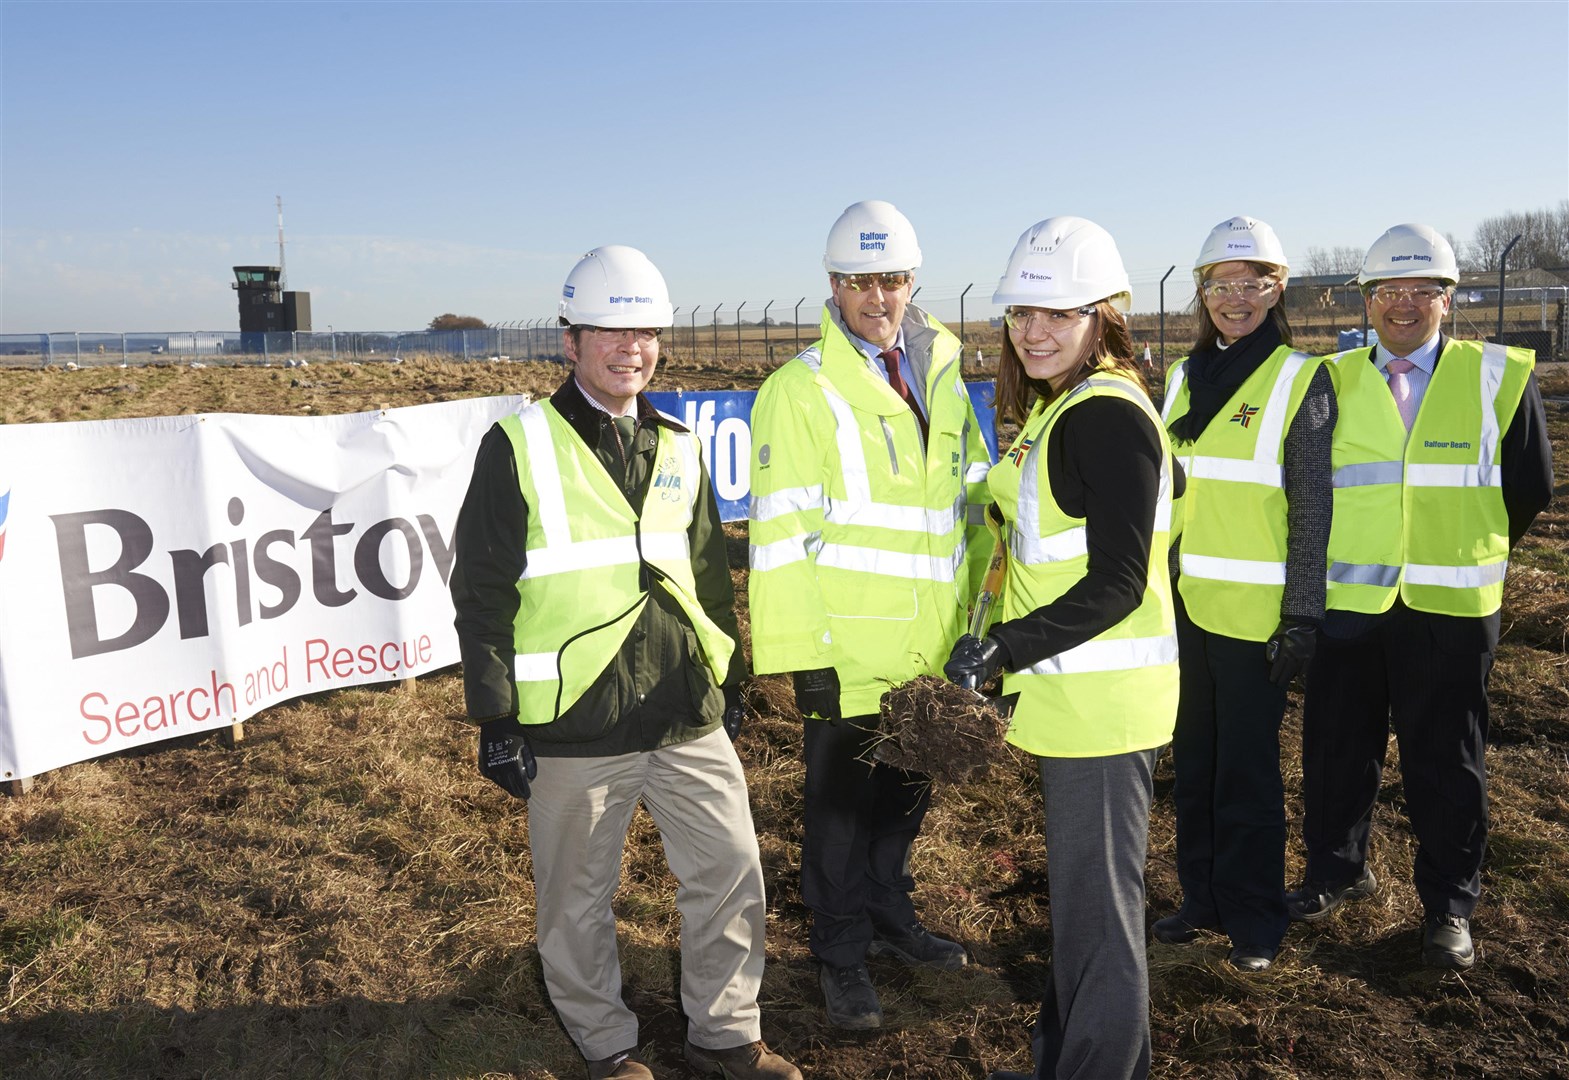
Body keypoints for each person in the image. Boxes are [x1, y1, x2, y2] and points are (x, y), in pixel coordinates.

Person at [450, 246, 800, 1080]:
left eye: (644, 332)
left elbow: (707, 572)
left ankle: (724, 1036)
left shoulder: (678, 445)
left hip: (684, 706)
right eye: (609, 332)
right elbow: (483, 588)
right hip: (577, 718)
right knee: (575, 899)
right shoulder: (518, 446)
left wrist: (731, 676)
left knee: (729, 874)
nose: (630, 349)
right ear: (569, 342)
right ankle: (606, 1045)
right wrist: (496, 717)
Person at [747, 200, 994, 1029]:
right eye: (859, 282)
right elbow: (780, 535)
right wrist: (800, 653)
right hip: (846, 653)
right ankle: (840, 954)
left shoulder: (945, 376)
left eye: (890, 279)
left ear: (912, 281)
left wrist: (980, 624)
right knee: (840, 817)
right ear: (833, 286)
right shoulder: (801, 390)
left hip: (930, 648)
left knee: (904, 798)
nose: (876, 297)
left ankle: (891, 916)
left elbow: (969, 504)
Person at [943, 216, 1179, 1080]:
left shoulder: (1105, 416)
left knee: (1101, 913)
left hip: (1103, 708)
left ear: (1102, 316)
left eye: (1057, 314)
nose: (1033, 331)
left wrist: (1004, 646)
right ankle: (1063, 1060)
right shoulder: (1070, 405)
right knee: (1081, 905)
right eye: (1019, 315)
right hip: (1074, 697)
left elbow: (1117, 580)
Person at [1289, 224, 1553, 969]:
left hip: (1449, 609)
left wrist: (1463, 549)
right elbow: (1305, 491)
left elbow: (1529, 486)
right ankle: (1335, 872)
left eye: (1420, 292)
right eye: (1387, 293)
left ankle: (1447, 906)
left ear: (1448, 298)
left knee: (1446, 761)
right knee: (1337, 749)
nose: (1402, 305)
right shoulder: (1329, 379)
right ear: (1366, 302)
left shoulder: (1497, 375)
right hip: (1349, 605)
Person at [1153, 216, 1336, 972]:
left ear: (1276, 289)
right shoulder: (1181, 378)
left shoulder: (1299, 378)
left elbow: (1311, 506)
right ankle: (1201, 899)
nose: (1235, 299)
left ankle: (1255, 921)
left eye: (1251, 284)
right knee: (1192, 766)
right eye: (1220, 285)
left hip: (1255, 621)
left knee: (1248, 775)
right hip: (1183, 611)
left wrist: (1300, 614)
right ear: (1202, 292)